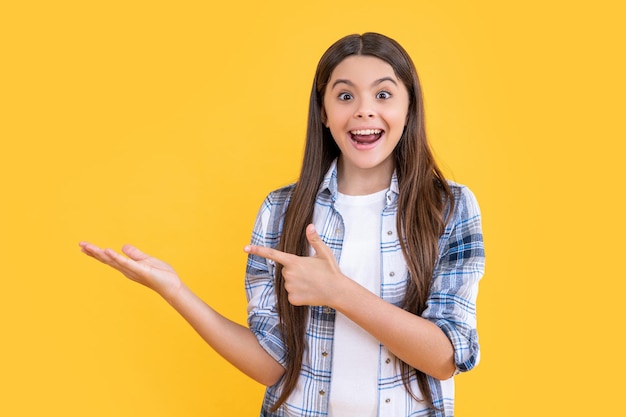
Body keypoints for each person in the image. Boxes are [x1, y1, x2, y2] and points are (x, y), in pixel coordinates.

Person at [80, 32, 485, 417]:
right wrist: (176, 291)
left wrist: (338, 291)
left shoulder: (447, 208)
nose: (364, 109)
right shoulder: (280, 210)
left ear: (409, 107)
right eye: (345, 95)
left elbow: (446, 357)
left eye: (383, 94)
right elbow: (272, 366)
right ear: (324, 112)